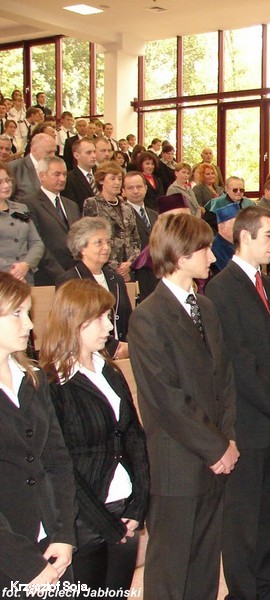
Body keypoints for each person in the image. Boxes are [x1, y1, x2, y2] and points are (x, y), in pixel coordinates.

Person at [128, 213, 238, 599]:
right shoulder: (148, 317)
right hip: (178, 463)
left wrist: (229, 439)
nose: (213, 256)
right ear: (180, 255)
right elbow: (167, 399)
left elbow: (225, 380)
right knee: (171, 572)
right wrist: (216, 447)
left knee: (205, 567)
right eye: (205, 249)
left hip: (216, 458)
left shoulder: (205, 307)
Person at [205, 206, 270, 600]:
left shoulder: (269, 286)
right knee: (243, 522)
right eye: (269, 236)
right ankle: (244, 593)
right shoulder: (222, 289)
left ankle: (265, 587)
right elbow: (239, 364)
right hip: (249, 423)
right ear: (244, 237)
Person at [40, 280, 149, 597]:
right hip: (83, 520)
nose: (109, 327)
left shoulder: (110, 371)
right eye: (99, 319)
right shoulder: (53, 382)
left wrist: (138, 503)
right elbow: (59, 462)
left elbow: (133, 436)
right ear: (74, 321)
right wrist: (103, 522)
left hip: (123, 511)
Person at [0, 273, 76, 592]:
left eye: (28, 313)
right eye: (17, 313)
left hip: (50, 540)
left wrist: (64, 534)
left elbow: (57, 460)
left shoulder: (33, 377)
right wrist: (24, 563)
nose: (30, 324)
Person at [57, 217, 132, 360]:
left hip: (124, 354)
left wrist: (131, 346)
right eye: (99, 242)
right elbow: (72, 327)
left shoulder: (116, 280)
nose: (106, 247)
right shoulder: (70, 280)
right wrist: (115, 348)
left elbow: (128, 320)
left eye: (108, 242)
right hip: (88, 356)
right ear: (82, 248)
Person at [20, 155, 82, 285]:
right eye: (57, 174)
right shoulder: (29, 203)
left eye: (64, 174)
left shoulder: (72, 205)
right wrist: (60, 275)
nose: (62, 179)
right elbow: (36, 242)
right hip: (46, 275)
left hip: (75, 273)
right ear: (42, 176)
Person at [81, 161, 141, 283]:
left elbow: (135, 239)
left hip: (129, 270)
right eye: (112, 178)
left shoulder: (127, 207)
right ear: (101, 181)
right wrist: (115, 267)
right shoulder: (92, 204)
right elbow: (90, 238)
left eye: (119, 179)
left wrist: (130, 263)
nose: (117, 182)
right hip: (104, 269)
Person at [0, 161, 44, 284]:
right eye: (0, 182)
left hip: (26, 278)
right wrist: (13, 271)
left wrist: (26, 265)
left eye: (8, 180)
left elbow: (36, 242)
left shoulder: (21, 208)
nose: (6, 185)